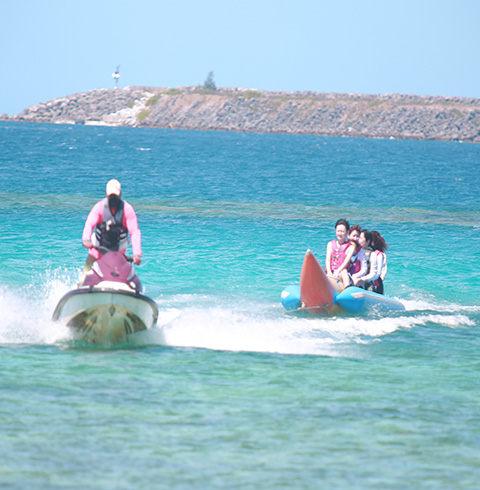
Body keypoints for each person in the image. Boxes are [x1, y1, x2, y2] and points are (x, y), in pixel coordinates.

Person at [82, 179, 142, 276]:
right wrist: (86, 240)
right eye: (111, 196)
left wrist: (137, 254)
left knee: (122, 276)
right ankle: (82, 284)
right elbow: (89, 224)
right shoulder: (99, 207)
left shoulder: (127, 210)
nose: (113, 198)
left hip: (117, 255)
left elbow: (134, 232)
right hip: (97, 251)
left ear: (120, 194)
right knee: (85, 274)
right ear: (106, 194)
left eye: (116, 196)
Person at [325, 219, 355, 288]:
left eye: (342, 231)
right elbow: (328, 259)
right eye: (338, 231)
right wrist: (329, 272)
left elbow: (346, 262)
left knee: (344, 271)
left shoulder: (351, 247)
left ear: (347, 232)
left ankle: (346, 288)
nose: (340, 233)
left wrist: (338, 272)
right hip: (331, 271)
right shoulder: (330, 244)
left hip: (341, 272)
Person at [370, 230, 388, 294]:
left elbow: (381, 270)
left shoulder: (379, 254)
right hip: (374, 280)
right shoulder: (369, 252)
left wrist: (377, 280)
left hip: (377, 281)